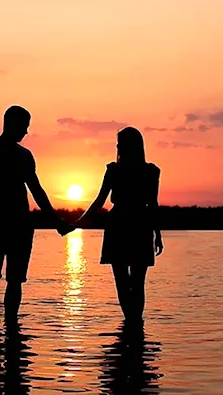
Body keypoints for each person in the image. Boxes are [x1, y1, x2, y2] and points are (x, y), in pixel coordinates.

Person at [0, 105, 73, 319]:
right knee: (1, 278)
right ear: (12, 124)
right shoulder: (2, 154)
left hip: (9, 224)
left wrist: (56, 221)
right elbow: (35, 191)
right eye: (24, 127)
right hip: (7, 224)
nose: (26, 132)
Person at [74, 127, 163, 322]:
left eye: (120, 143)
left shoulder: (127, 171)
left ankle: (133, 321)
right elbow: (100, 201)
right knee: (132, 281)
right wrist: (79, 222)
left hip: (125, 224)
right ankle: (133, 323)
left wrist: (158, 235)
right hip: (135, 224)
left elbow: (100, 201)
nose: (118, 146)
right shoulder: (144, 171)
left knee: (128, 281)